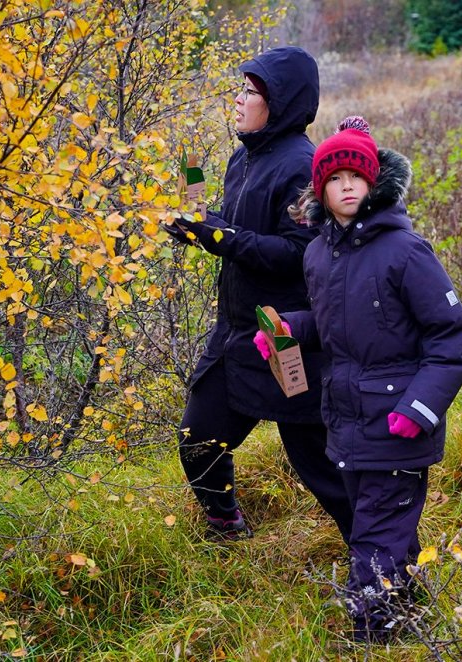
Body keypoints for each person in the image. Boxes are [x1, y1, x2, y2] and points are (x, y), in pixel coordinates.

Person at [261, 116, 462, 641]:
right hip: (347, 420)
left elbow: (451, 336)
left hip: (398, 423)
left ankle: (371, 637)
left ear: (374, 181)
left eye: (356, 175)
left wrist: (419, 409)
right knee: (380, 526)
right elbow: (333, 325)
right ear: (319, 190)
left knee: (374, 537)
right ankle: (410, 614)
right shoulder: (318, 254)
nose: (347, 186)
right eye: (334, 178)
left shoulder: (406, 251)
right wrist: (289, 330)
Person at [168, 47, 353, 543]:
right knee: (199, 440)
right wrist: (199, 228)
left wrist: (221, 237)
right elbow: (239, 234)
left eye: (250, 92)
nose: (238, 99)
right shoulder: (243, 157)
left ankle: (384, 562)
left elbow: (298, 253)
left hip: (286, 336)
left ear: (281, 102)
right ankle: (226, 527)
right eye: (241, 89)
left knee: (321, 466)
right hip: (235, 334)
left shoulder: (303, 167)